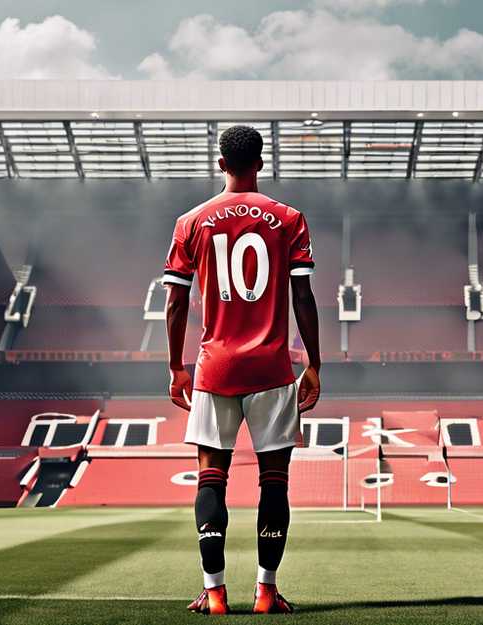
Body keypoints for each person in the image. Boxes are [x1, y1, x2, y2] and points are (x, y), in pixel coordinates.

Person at [162, 125, 321, 615]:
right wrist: (313, 363)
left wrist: (176, 367)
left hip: (215, 368)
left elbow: (175, 300)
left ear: (221, 163)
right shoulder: (288, 218)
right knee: (275, 480)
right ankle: (267, 591)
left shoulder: (191, 220)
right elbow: (302, 296)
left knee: (211, 476)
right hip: (272, 368)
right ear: (261, 161)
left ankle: (214, 592)